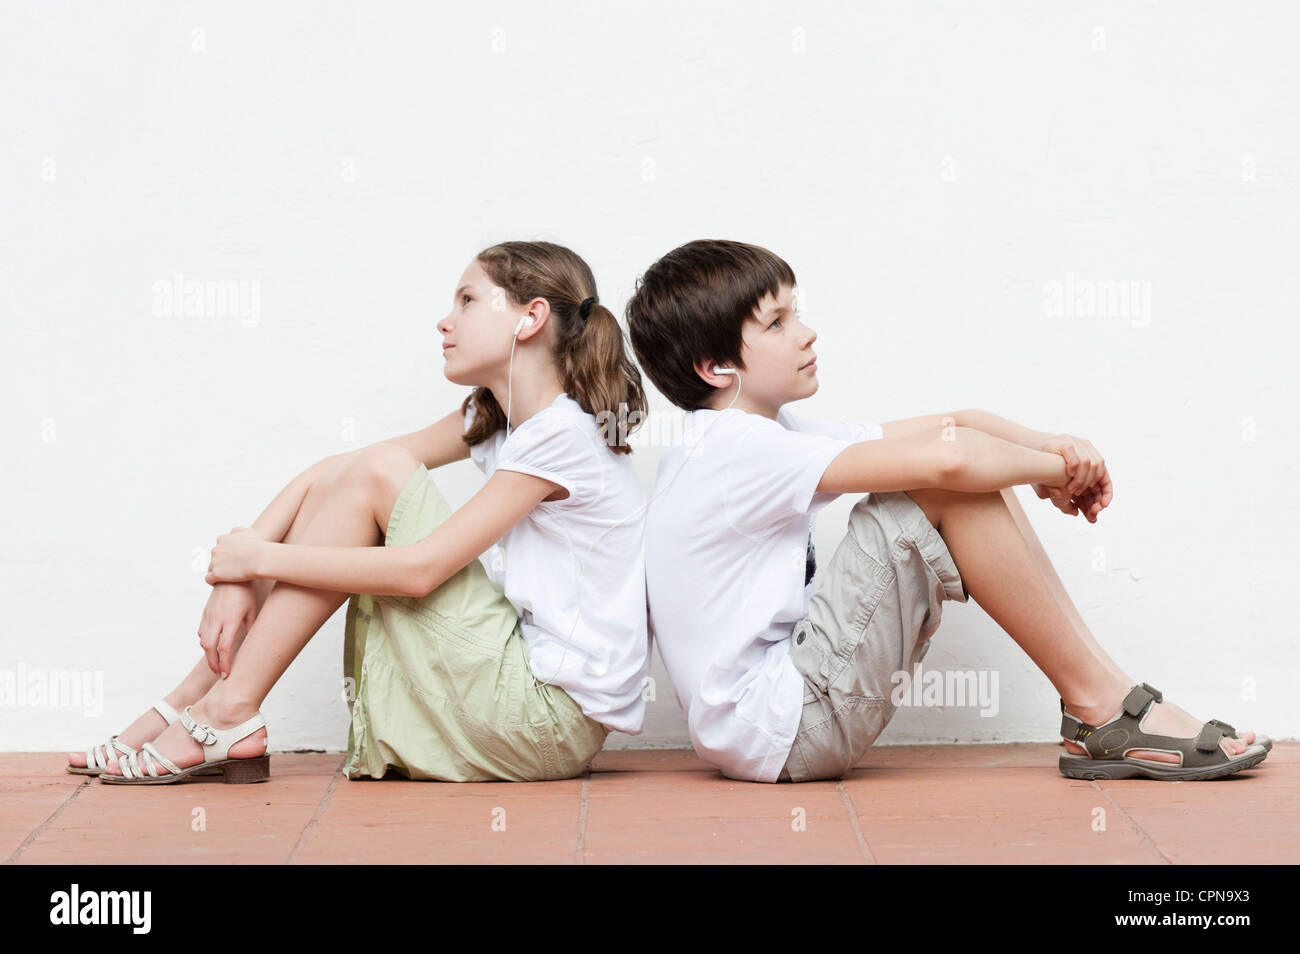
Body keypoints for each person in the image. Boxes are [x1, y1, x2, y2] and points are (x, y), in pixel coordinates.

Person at [624, 238, 1269, 783]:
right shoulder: (740, 451)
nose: (807, 331)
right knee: (938, 486)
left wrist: (1049, 448)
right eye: (776, 322)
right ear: (715, 366)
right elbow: (948, 462)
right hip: (792, 724)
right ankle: (1105, 710)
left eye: (798, 312)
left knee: (956, 476)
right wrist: (1057, 473)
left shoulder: (747, 438)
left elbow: (951, 424)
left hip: (772, 724)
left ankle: (1103, 704)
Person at [80, 240, 651, 784]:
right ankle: (198, 702)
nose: (444, 321)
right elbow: (331, 474)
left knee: (382, 472)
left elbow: (420, 569)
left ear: (530, 318)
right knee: (365, 475)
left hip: (546, 720)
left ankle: (226, 707)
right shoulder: (506, 420)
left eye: (468, 300)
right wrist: (237, 567)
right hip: (518, 698)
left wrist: (258, 560)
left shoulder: (563, 435)